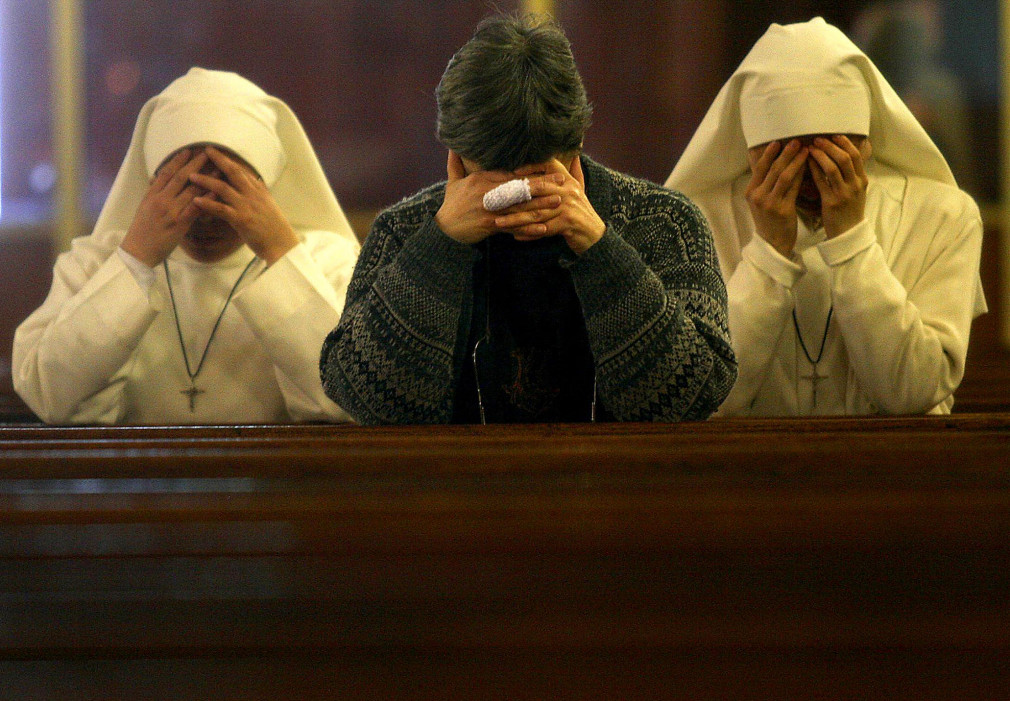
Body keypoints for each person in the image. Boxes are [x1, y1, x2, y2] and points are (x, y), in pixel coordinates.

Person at [319, 13, 736, 425]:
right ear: (454, 155)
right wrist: (438, 246)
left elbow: (692, 399)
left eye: (537, 173)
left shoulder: (665, 223)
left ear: (577, 144)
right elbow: (368, 403)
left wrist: (600, 248)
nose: (515, 193)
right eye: (492, 176)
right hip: (452, 489)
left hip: (616, 487)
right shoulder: (405, 231)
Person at [666, 18, 986, 416]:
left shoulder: (943, 215)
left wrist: (851, 239)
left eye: (833, 153)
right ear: (750, 152)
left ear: (866, 143)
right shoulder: (691, 221)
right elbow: (705, 399)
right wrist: (768, 253)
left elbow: (914, 391)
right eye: (786, 157)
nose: (814, 178)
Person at [12, 68, 360, 424]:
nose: (205, 211)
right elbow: (51, 397)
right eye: (184, 185)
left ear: (264, 183)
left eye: (227, 187)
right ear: (151, 182)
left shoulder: (328, 261)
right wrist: (134, 260)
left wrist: (280, 253)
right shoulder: (95, 263)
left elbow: (353, 400)